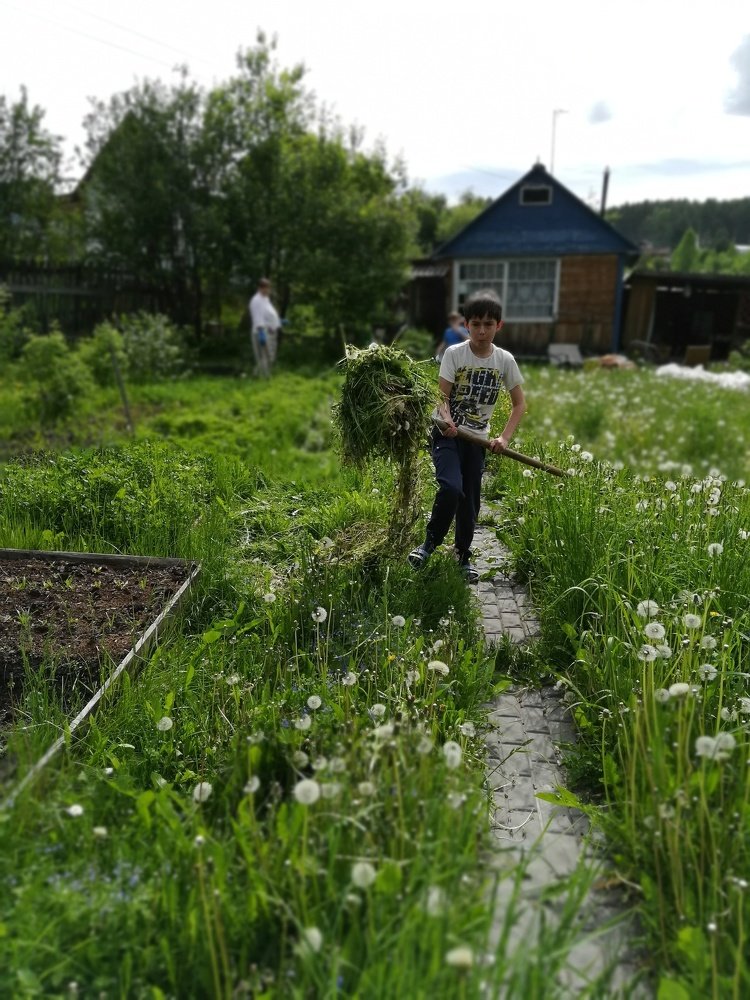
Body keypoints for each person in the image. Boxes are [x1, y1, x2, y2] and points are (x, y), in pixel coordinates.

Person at [409, 289, 526, 584]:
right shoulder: (455, 353)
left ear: (499, 325)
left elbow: (519, 404)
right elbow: (441, 395)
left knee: (470, 502)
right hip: (447, 435)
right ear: (465, 325)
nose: (482, 330)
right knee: (451, 488)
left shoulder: (504, 360)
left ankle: (462, 555)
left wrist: (504, 438)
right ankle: (428, 545)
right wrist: (447, 420)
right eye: (476, 324)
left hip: (479, 441)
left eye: (489, 324)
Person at [248, 277, 281, 377]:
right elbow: (258, 317)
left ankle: (257, 375)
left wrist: (278, 321)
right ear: (260, 288)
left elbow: (268, 314)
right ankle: (264, 378)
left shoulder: (265, 299)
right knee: (263, 357)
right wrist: (261, 332)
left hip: (270, 331)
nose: (268, 290)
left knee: (269, 357)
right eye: (266, 288)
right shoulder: (256, 300)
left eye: (269, 288)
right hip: (261, 332)